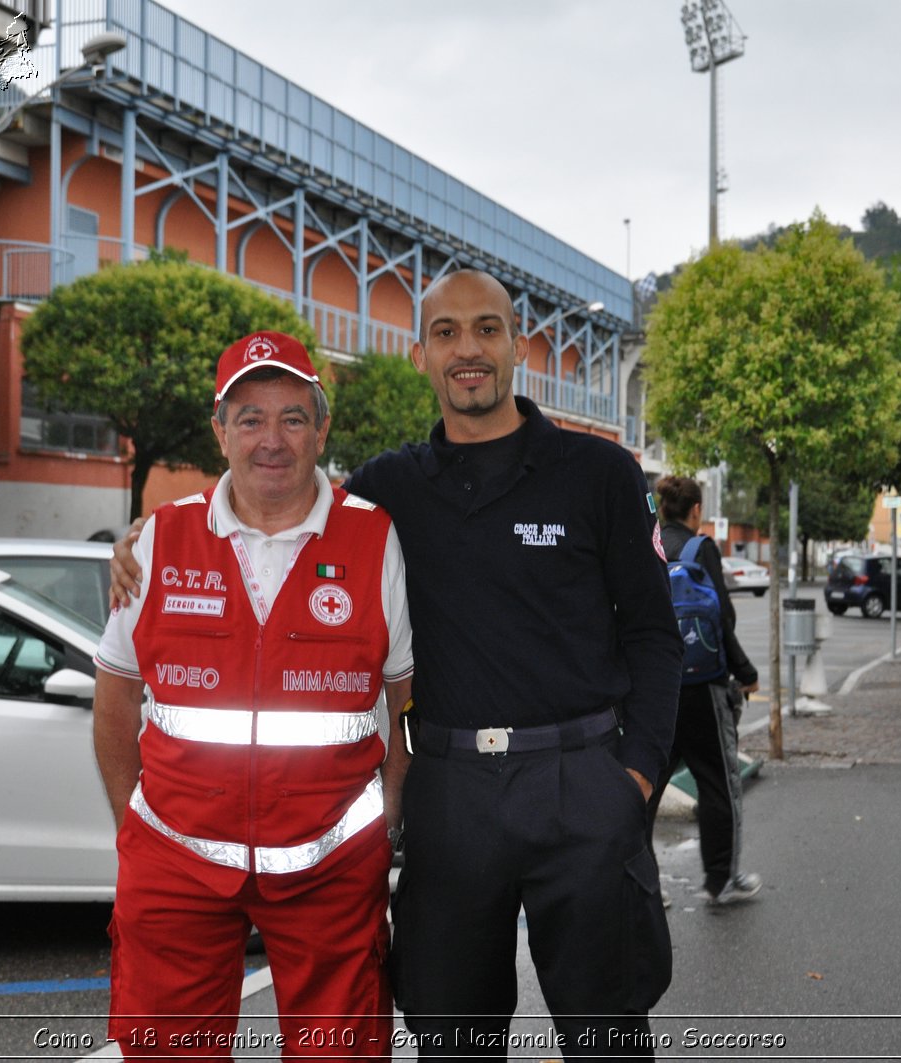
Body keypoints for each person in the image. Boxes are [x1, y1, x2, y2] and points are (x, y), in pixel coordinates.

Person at [111, 270, 682, 1060]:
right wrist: (151, 531)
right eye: (446, 333)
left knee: (608, 1037)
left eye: (487, 329)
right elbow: (275, 491)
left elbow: (656, 635)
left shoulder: (600, 475)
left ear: (518, 346)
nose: (468, 350)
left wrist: (636, 779)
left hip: (580, 786)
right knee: (450, 1040)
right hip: (449, 799)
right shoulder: (387, 491)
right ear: (420, 355)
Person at [91, 331, 414, 1060]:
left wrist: (386, 818)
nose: (273, 440)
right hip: (175, 861)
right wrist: (133, 830)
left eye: (293, 417)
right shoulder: (159, 541)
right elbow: (115, 694)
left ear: (322, 429)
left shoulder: (373, 539)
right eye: (250, 418)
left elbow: (406, 700)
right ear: (220, 430)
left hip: (329, 865)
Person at [648, 474, 763, 906]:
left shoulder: (650, 544)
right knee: (718, 783)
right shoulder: (702, 549)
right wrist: (745, 671)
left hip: (655, 688)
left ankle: (644, 885)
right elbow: (723, 618)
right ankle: (721, 879)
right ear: (696, 510)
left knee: (646, 785)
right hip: (703, 688)